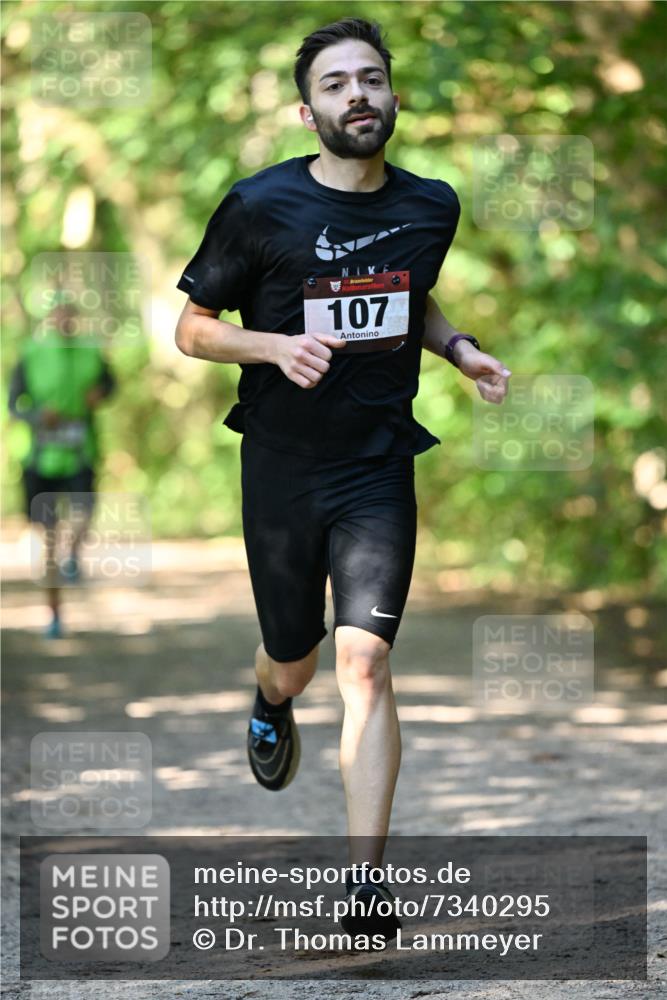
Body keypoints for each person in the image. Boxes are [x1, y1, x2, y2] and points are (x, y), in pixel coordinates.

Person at [175, 17, 511, 941]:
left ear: (393, 97)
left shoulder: (431, 205)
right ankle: (268, 696)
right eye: (334, 83)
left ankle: (364, 884)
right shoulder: (258, 205)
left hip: (377, 463)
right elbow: (192, 328)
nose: (356, 93)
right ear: (306, 111)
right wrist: (274, 347)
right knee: (296, 661)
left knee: (364, 661)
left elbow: (410, 293)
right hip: (282, 465)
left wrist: (459, 349)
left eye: (370, 78)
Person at [8, 297, 116, 638]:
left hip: (80, 453)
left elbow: (111, 385)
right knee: (48, 543)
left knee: (84, 513)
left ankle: (73, 554)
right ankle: (54, 616)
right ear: (50, 319)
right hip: (40, 459)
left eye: (69, 315)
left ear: (75, 318)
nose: (63, 320)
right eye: (58, 315)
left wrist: (100, 394)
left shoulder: (91, 352)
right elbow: (13, 405)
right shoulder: (31, 353)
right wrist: (38, 417)